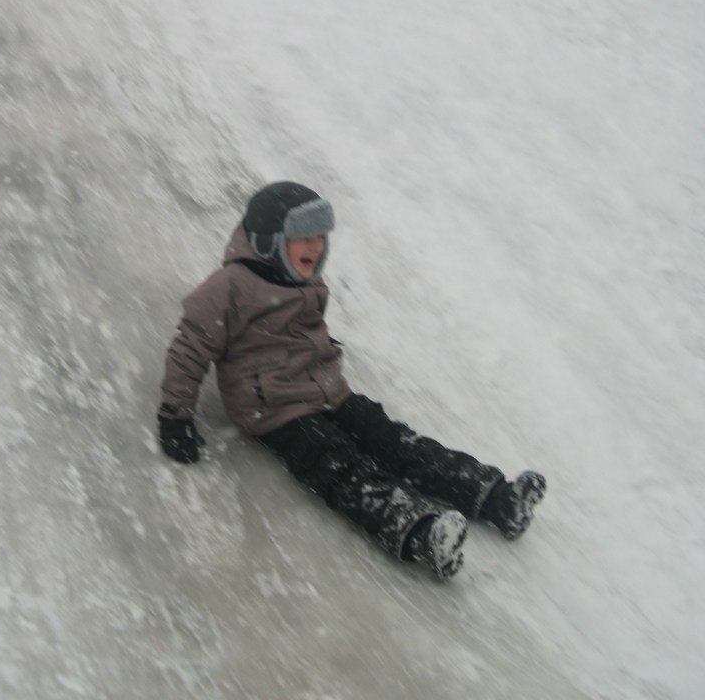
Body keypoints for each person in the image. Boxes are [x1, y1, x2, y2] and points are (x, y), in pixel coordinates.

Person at [158, 182, 546, 581]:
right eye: (303, 237)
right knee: (341, 465)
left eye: (320, 237)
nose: (316, 247)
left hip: (327, 390)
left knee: (396, 441)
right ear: (270, 239)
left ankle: (497, 499)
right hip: (275, 409)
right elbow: (191, 346)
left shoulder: (304, 279)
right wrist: (175, 415)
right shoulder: (231, 286)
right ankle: (421, 533)